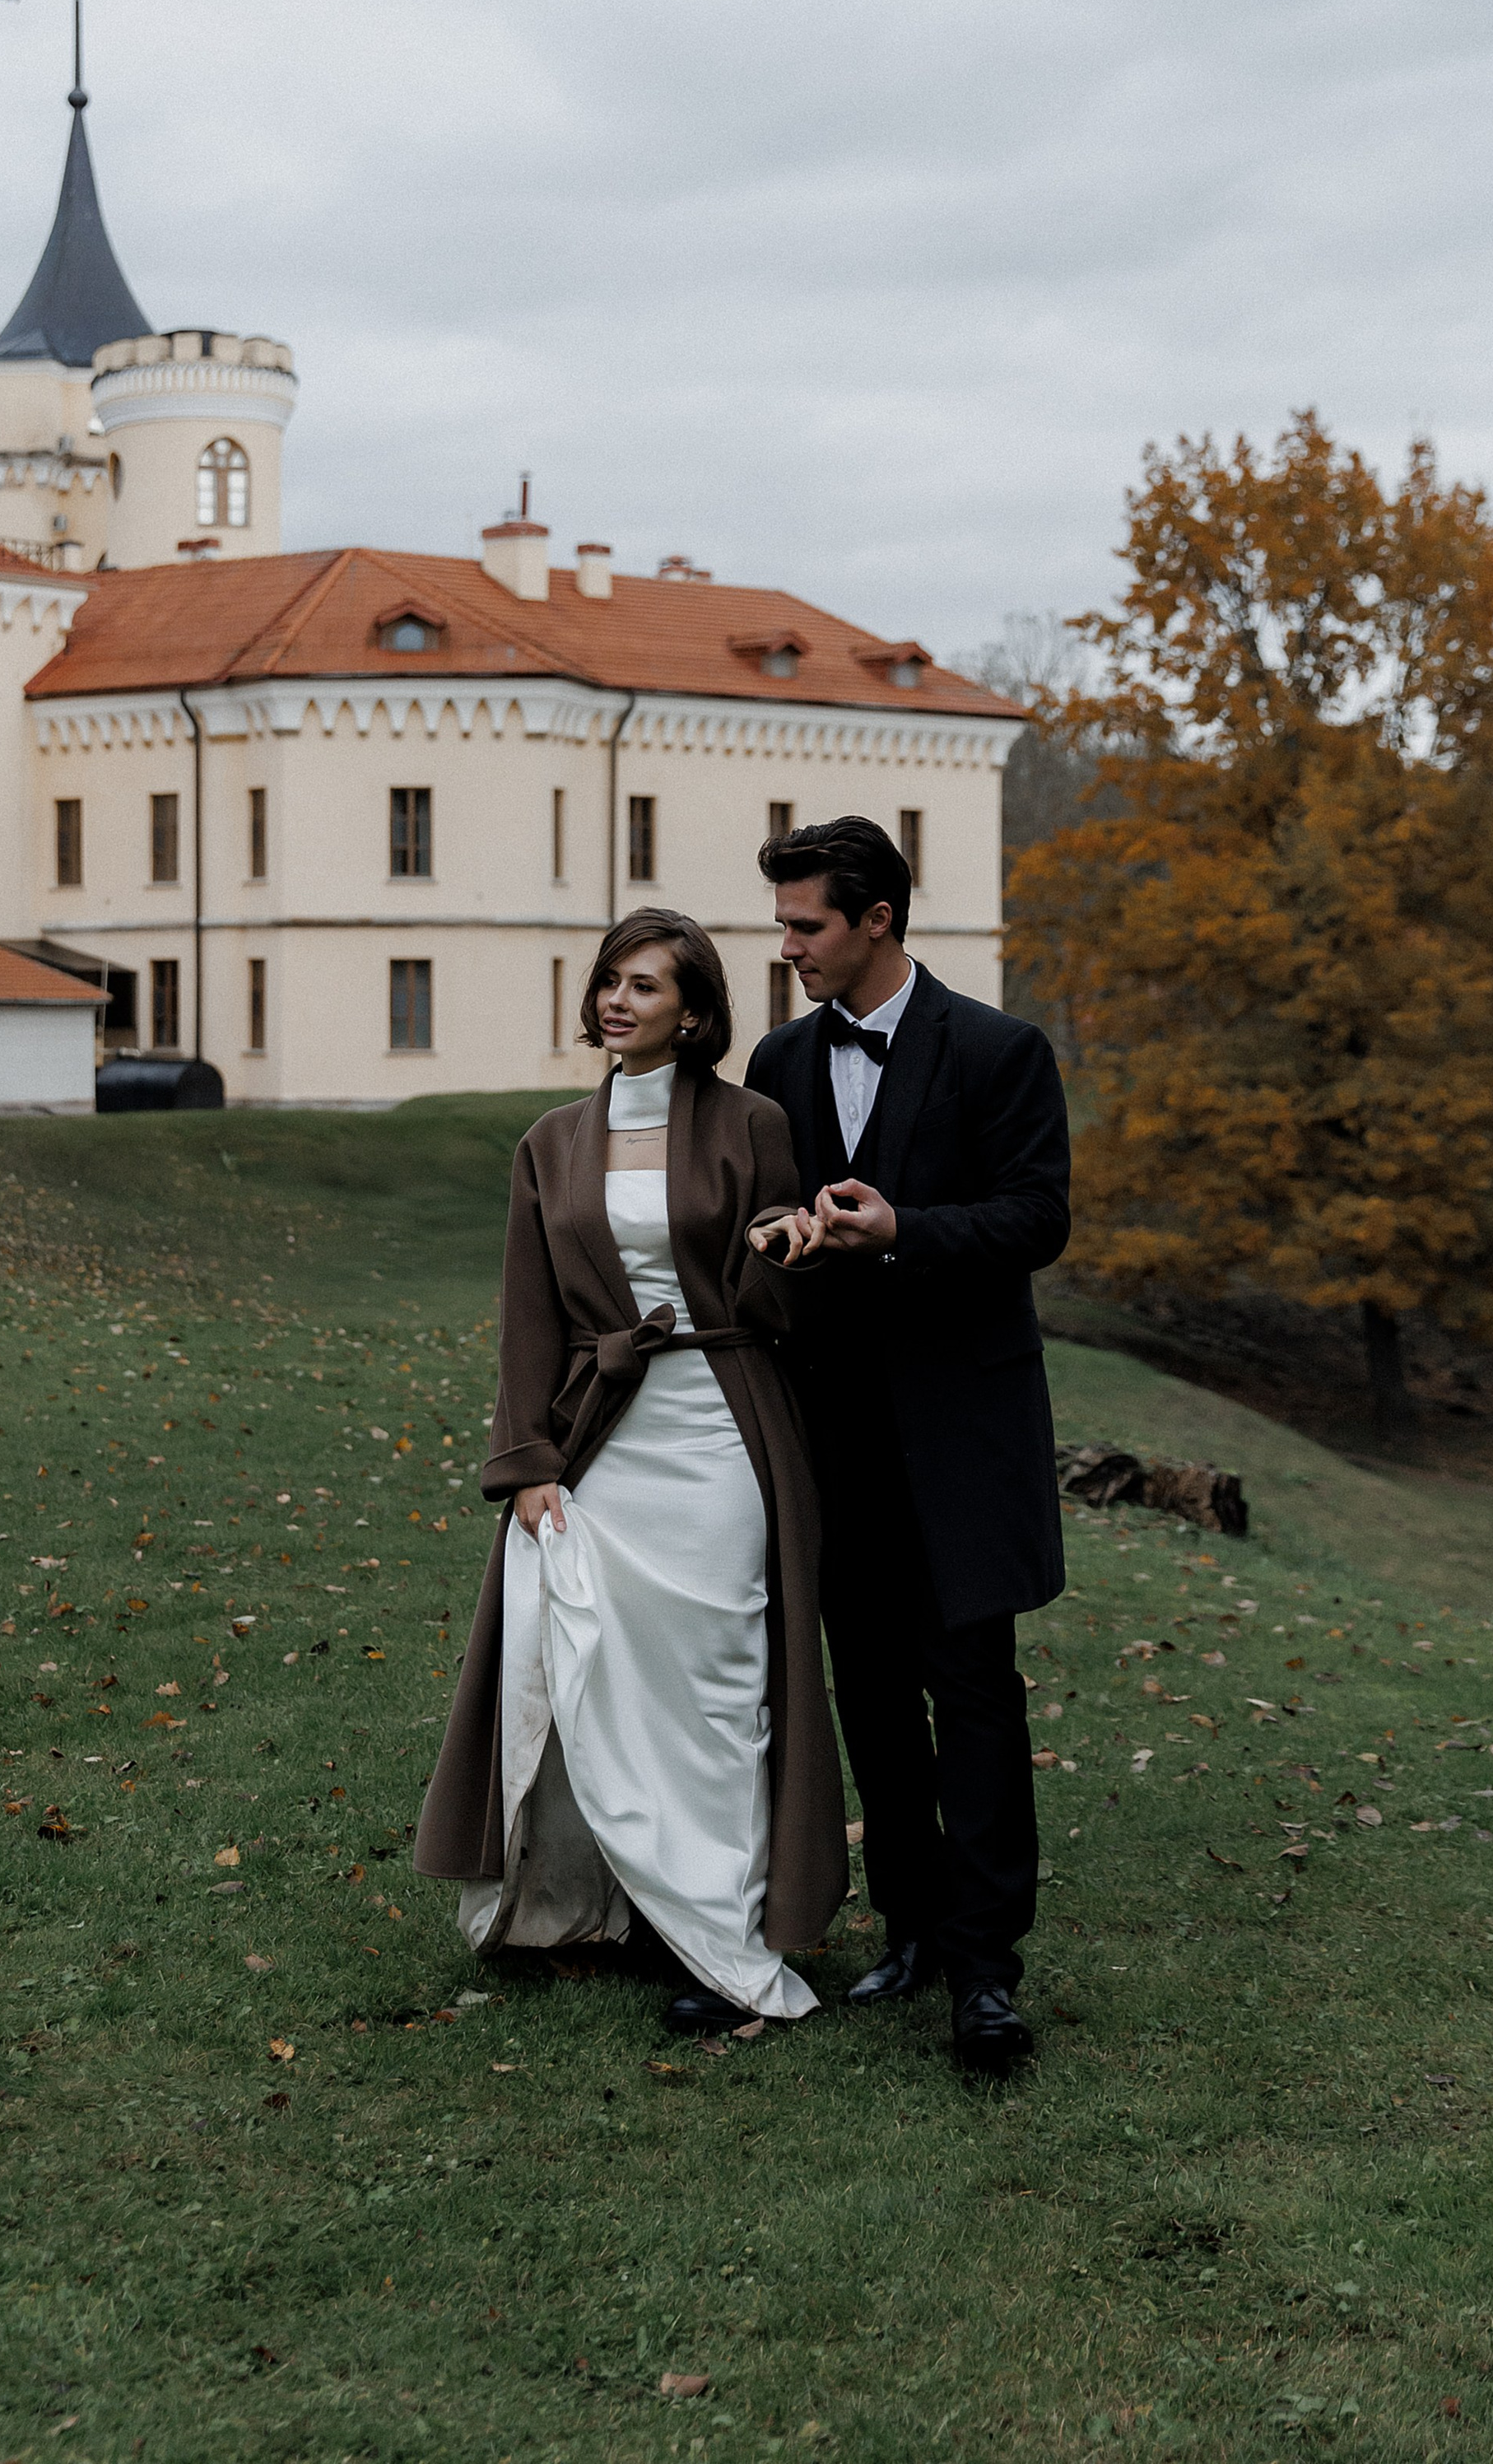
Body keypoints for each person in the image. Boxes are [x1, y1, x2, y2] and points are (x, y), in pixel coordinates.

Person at [416, 909, 846, 2031]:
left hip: (722, 1436)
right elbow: (528, 1318)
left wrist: (782, 1253)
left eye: (646, 986)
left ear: (694, 1011)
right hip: (600, 1440)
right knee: (596, 1677)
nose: (618, 1000)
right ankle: (603, 1908)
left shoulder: (754, 1123)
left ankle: (726, 1937)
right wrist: (527, 1462)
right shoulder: (551, 1141)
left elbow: (787, 1307)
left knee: (715, 1697)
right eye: (610, 980)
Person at [743, 815, 1070, 2075]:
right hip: (831, 1431)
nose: (788, 949)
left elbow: (1037, 1219)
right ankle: (913, 1930)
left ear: (877, 919)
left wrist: (904, 1231)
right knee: (870, 1691)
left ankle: (988, 1972)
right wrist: (789, 1230)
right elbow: (771, 1205)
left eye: (806, 925)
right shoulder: (779, 1058)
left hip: (965, 1432)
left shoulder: (999, 1050)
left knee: (972, 1692)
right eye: (781, 925)